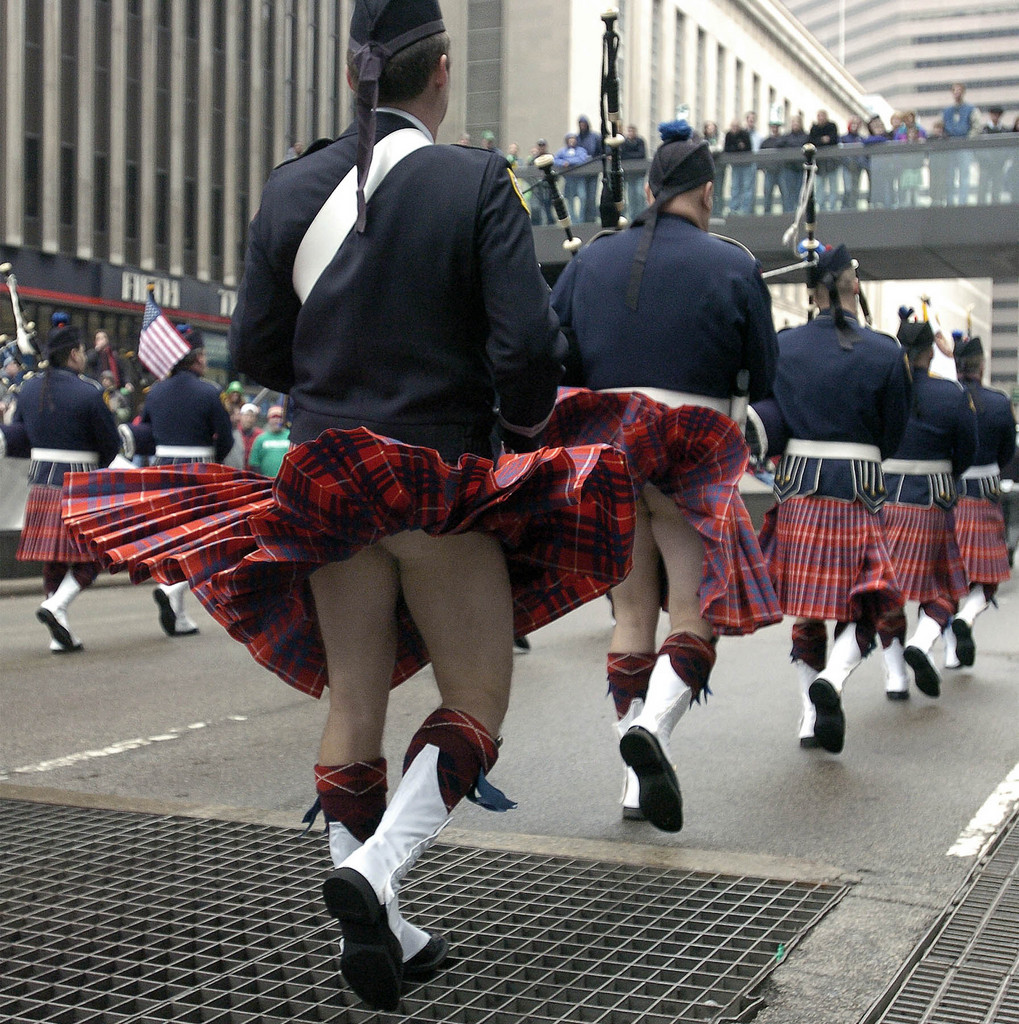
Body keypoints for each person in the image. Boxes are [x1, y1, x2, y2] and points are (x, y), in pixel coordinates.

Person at [214, 0, 629, 1009]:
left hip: (322, 483)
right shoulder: (476, 178)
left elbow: (255, 353)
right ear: (439, 70)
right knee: (476, 699)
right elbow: (525, 352)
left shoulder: (289, 187)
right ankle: (373, 869)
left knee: (354, 698)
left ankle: (384, 921)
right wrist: (520, 439)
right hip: (436, 477)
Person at [548, 120, 782, 832]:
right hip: (692, 448)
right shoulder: (733, 265)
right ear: (707, 193)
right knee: (693, 613)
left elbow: (558, 359)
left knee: (629, 616)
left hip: (608, 452)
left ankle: (630, 778)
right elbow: (764, 375)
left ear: (648, 190)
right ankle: (651, 727)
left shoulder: (589, 262)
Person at [754, 245, 912, 754]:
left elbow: (770, 418)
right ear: (852, 286)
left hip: (798, 482)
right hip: (860, 484)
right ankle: (835, 680)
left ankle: (807, 716)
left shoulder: (785, 346)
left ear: (813, 291)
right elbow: (894, 433)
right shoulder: (887, 352)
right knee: (867, 603)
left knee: (806, 612)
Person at [878, 312, 976, 699]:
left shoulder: (882, 390)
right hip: (932, 501)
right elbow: (966, 450)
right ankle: (923, 639)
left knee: (888, 594)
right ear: (929, 355)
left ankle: (895, 677)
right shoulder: (951, 394)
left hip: (883, 500)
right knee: (946, 588)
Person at [10, 323, 120, 652]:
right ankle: (57, 606)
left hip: (42, 483)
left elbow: (19, 436)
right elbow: (111, 446)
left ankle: (60, 631)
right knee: (98, 553)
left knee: (55, 560)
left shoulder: (27, 391)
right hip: (78, 483)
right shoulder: (89, 392)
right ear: (73, 354)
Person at [139, 322, 234, 637]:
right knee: (197, 541)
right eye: (204, 355)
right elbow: (227, 439)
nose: (205, 360)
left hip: (162, 467)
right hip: (198, 467)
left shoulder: (156, 392)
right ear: (195, 357)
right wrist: (213, 462)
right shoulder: (209, 391)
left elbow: (146, 432)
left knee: (173, 537)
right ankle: (170, 592)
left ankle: (178, 616)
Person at [947, 335, 1017, 668]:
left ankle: (949, 653)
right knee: (985, 579)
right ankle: (969, 615)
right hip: (986, 494)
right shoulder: (1000, 402)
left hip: (948, 493)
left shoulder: (945, 399)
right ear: (982, 365)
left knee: (946, 579)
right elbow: (1007, 453)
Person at [942, 83, 980, 205]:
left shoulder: (971, 109)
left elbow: (976, 127)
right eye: (954, 90)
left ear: (963, 92)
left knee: (964, 175)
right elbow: (942, 126)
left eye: (959, 90)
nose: (957, 93)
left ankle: (962, 202)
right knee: (950, 176)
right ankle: (950, 202)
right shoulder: (947, 111)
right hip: (950, 146)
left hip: (964, 146)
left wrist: (968, 139)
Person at [808, 109, 840, 211]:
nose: (821, 118)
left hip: (832, 163)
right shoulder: (814, 128)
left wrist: (823, 141)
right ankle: (821, 207)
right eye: (819, 116)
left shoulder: (832, 126)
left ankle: (832, 207)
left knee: (833, 186)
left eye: (823, 116)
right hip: (819, 163)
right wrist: (822, 140)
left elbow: (834, 139)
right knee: (820, 187)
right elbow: (812, 142)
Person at [554, 132, 591, 222]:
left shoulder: (581, 150)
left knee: (583, 197)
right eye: (570, 139)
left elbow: (582, 159)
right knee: (569, 199)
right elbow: (555, 160)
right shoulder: (562, 151)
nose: (572, 141)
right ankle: (573, 220)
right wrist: (563, 163)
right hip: (569, 179)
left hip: (580, 178)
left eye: (573, 139)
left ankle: (581, 219)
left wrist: (569, 162)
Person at [247, 404, 290, 475]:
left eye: (279, 417)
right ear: (268, 419)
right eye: (274, 417)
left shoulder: (290, 437)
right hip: (267, 481)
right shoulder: (261, 439)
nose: (277, 420)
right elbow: (254, 463)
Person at [978, 105, 1010, 203]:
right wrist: (983, 160)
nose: (995, 116)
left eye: (997, 115)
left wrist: (1002, 160)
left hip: (999, 164)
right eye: (993, 114)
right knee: (983, 188)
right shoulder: (984, 130)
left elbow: (1007, 149)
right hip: (985, 164)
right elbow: (979, 148)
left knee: (997, 188)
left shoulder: (1004, 130)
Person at [778, 115, 809, 214]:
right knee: (789, 193)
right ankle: (789, 213)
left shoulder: (805, 136)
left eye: (797, 123)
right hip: (789, 168)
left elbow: (804, 145)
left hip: (801, 168)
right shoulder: (786, 136)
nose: (795, 125)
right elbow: (779, 144)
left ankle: (800, 214)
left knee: (801, 193)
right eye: (793, 123)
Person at [574, 114, 603, 222]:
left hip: (593, 170)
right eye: (580, 124)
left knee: (591, 197)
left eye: (584, 124)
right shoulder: (577, 138)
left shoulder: (595, 137)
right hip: (581, 173)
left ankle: (591, 219)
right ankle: (583, 220)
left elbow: (601, 151)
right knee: (583, 197)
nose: (582, 126)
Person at [723, 118, 754, 215]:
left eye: (736, 127)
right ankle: (733, 209)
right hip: (735, 165)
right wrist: (737, 147)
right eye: (733, 127)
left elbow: (748, 148)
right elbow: (727, 149)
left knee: (746, 187)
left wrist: (736, 148)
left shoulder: (744, 134)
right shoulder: (728, 135)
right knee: (735, 187)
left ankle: (745, 210)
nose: (735, 129)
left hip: (746, 165)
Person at [619, 124, 647, 219]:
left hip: (639, 174)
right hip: (629, 174)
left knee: (639, 194)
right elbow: (623, 155)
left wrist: (629, 156)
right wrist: (633, 155)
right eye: (629, 131)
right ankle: (632, 216)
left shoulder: (640, 141)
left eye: (632, 131)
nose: (630, 133)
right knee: (631, 196)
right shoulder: (624, 142)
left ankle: (641, 214)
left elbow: (641, 154)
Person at [839, 116, 867, 210]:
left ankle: (853, 208)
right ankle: (845, 208)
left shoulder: (861, 139)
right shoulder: (843, 138)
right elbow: (841, 154)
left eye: (857, 124)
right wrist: (848, 163)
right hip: (847, 167)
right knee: (848, 189)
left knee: (855, 189)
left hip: (857, 168)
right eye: (853, 123)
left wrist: (860, 164)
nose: (855, 126)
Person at [758, 117, 785, 213]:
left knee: (785, 194)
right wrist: (762, 168)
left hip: (782, 171)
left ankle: (786, 215)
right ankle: (767, 214)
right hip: (769, 172)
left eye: (776, 127)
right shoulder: (765, 142)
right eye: (773, 127)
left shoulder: (783, 140)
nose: (774, 129)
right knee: (767, 195)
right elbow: (760, 156)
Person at [526, 138, 555, 226]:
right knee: (536, 209)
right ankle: (536, 227)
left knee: (548, 209)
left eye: (543, 145)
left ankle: (550, 227)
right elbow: (529, 174)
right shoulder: (533, 160)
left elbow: (555, 172)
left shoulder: (550, 158)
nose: (541, 148)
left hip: (548, 189)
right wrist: (534, 184)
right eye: (540, 145)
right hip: (537, 189)